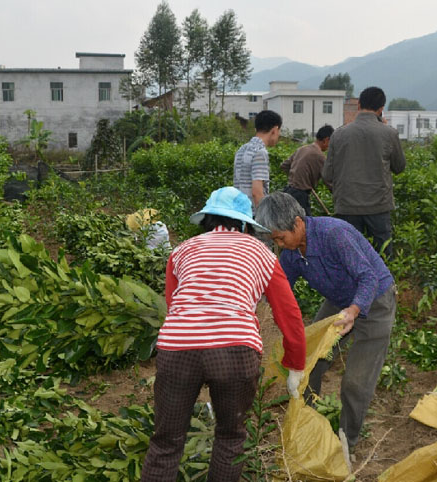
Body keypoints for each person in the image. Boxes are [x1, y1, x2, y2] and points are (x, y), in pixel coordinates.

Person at [142, 186, 306, 481]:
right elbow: (289, 314)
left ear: (206, 218)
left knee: (166, 442)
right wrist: (295, 363)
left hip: (178, 348)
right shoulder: (262, 253)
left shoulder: (182, 250)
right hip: (234, 350)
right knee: (231, 439)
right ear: (245, 223)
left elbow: (172, 303)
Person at [255, 192, 396, 449]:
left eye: (280, 238)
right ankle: (310, 422)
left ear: (297, 223)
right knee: (309, 362)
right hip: (339, 300)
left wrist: (354, 311)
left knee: (355, 381)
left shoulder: (334, 234)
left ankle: (346, 441)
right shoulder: (292, 252)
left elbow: (368, 277)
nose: (280, 244)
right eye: (274, 240)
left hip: (374, 301)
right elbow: (278, 288)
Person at [322, 86, 405, 258]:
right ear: (381, 109)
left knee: (349, 256)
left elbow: (327, 175)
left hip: (347, 206)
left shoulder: (338, 134)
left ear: (358, 105)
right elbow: (399, 167)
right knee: (383, 257)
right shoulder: (389, 133)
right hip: (379, 205)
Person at [280, 124, 334, 216]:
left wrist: (297, 176)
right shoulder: (320, 156)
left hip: (288, 191)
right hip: (300, 195)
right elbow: (328, 180)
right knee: (305, 224)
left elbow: (284, 166)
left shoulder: (302, 148)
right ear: (326, 140)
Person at [233, 110, 282, 208]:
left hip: (239, 212)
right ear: (275, 130)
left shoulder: (241, 149)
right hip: (253, 215)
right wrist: (263, 218)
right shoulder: (260, 152)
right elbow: (257, 192)